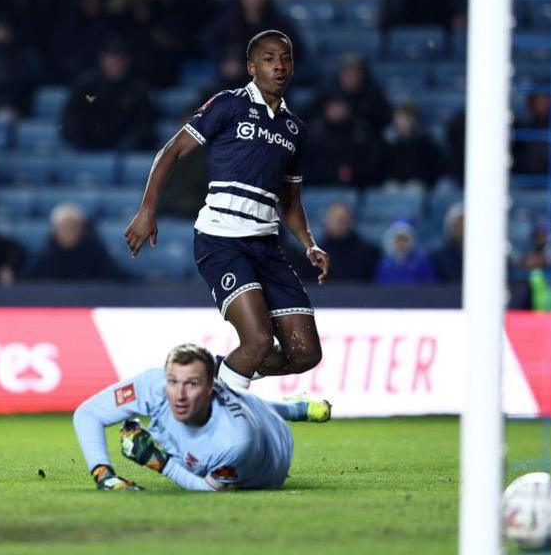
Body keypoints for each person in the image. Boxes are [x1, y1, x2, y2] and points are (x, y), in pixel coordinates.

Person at [126, 30, 331, 392]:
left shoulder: (294, 129)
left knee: (306, 354)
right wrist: (147, 210)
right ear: (251, 66)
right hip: (221, 241)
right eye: (269, 58)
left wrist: (310, 243)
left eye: (285, 58)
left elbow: (290, 201)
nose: (279, 65)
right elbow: (170, 152)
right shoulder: (228, 105)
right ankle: (217, 415)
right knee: (259, 342)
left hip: (267, 247)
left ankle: (219, 375)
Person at [72, 343, 330, 491]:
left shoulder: (235, 442)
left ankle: (295, 410)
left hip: (272, 460)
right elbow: (87, 414)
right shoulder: (154, 385)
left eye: (192, 384)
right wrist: (104, 475)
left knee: (257, 412)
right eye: (173, 381)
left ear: (210, 387)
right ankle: (300, 409)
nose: (179, 395)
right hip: (249, 412)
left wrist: (159, 462)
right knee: (250, 403)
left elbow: (210, 489)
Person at [61, 40, 156, 152]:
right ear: (103, 59)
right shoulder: (86, 86)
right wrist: (82, 141)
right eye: (113, 58)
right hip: (86, 149)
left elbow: (145, 125)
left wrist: (128, 143)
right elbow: (69, 119)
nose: (117, 63)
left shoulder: (137, 90)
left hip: (124, 153)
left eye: (121, 58)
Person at [32, 203, 127, 281]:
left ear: (81, 228)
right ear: (55, 230)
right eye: (65, 227)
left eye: (73, 227)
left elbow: (114, 276)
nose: (69, 231)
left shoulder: (93, 250)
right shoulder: (48, 252)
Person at [374, 220, 437, 285]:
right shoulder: (385, 263)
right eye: (398, 239)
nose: (401, 243)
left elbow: (430, 286)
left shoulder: (422, 262)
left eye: (405, 240)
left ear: (411, 240)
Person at [429, 203, 463, 282]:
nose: (462, 228)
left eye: (464, 223)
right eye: (458, 223)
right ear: (449, 227)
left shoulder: (483, 254)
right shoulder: (438, 256)